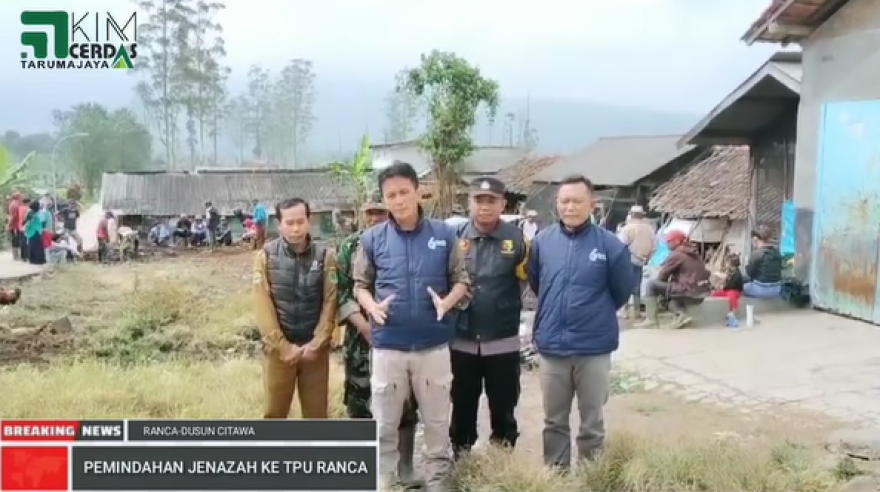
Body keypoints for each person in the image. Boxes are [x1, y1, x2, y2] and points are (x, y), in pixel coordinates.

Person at [352, 161, 470, 491]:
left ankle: (437, 481)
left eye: (404, 192)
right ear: (384, 199)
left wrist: (447, 302)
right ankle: (385, 481)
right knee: (384, 423)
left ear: (419, 192)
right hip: (388, 346)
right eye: (391, 195)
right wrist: (371, 305)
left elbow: (461, 280)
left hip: (433, 346)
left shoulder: (444, 235)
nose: (399, 200)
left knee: (436, 422)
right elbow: (359, 285)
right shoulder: (372, 239)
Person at [527, 174, 635, 470]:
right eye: (564, 201)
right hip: (552, 347)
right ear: (556, 204)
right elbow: (538, 283)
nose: (570, 207)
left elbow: (621, 291)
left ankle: (591, 475)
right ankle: (556, 475)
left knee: (592, 421)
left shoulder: (610, 245)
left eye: (577, 201)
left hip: (593, 348)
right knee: (554, 421)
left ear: (592, 204)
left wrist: (593, 313)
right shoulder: (542, 242)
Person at [337, 201, 421, 487]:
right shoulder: (350, 245)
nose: (374, 217)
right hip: (360, 340)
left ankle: (405, 467)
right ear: (362, 213)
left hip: (399, 337)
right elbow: (341, 291)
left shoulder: (408, 240)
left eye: (380, 211)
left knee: (405, 403)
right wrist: (364, 326)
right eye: (369, 212)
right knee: (360, 402)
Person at [450, 177, 528, 459]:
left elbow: (527, 280)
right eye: (479, 200)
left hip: (502, 336)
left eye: (491, 201)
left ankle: (501, 459)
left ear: (502, 204)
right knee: (462, 402)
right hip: (462, 336)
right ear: (469, 203)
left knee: (504, 402)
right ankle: (461, 456)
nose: (484, 206)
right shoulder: (454, 237)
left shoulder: (517, 239)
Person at [253, 198, 338, 419]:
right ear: (279, 224)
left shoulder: (325, 256)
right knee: (275, 413)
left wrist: (318, 342)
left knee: (316, 415)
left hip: (314, 351)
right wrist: (282, 346)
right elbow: (262, 304)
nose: (296, 228)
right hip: (279, 352)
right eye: (289, 223)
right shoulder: (266, 256)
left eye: (300, 222)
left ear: (309, 221)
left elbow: (330, 300)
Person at [637, 230, 712, 329]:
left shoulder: (677, 254)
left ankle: (651, 320)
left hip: (688, 290)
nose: (666, 244)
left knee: (652, 285)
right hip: (701, 292)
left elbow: (662, 275)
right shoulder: (694, 254)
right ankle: (681, 315)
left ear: (677, 241)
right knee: (670, 295)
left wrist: (660, 291)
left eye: (668, 241)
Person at [617, 205, 656, 320]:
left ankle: (624, 311)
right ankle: (637, 312)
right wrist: (647, 258)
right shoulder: (649, 229)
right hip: (643, 261)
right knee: (637, 286)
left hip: (628, 260)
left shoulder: (627, 229)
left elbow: (620, 245)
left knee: (625, 286)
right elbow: (654, 247)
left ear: (631, 215)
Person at [744, 225, 783, 298]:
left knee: (742, 286)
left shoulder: (757, 253)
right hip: (776, 289)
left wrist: (747, 265)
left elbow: (749, 273)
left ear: (755, 239)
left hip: (761, 289)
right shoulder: (777, 252)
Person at [711, 255, 744, 327]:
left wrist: (723, 287)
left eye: (727, 262)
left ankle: (734, 311)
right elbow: (727, 280)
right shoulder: (730, 272)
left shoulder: (737, 274)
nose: (726, 264)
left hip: (735, 291)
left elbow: (731, 285)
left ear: (730, 263)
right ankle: (713, 295)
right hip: (728, 290)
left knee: (732, 295)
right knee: (715, 294)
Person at [23, 200, 46, 265]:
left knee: (31, 245)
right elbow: (43, 223)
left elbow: (25, 222)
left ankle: (32, 260)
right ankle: (38, 260)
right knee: (38, 246)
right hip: (37, 231)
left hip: (30, 231)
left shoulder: (29, 212)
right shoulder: (38, 214)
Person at [6, 192, 22, 261]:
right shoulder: (15, 205)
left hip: (17, 225)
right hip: (15, 226)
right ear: (17, 197)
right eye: (20, 196)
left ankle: (16, 255)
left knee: (16, 239)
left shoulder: (14, 204)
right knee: (15, 240)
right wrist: (8, 224)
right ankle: (16, 256)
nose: (21, 197)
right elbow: (13, 216)